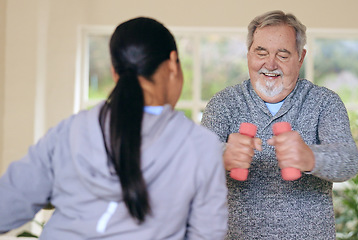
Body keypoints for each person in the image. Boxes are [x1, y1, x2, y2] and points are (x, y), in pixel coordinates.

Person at [0, 17, 228, 239]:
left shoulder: (72, 130)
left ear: (114, 71)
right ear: (172, 63)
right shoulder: (200, 146)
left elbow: (8, 202)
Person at [201, 10, 358, 239]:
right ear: (249, 54)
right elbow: (194, 163)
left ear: (300, 57)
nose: (270, 64)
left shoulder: (324, 102)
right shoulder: (224, 103)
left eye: (283, 55)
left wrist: (310, 157)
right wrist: (221, 157)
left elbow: (349, 162)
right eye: (261, 52)